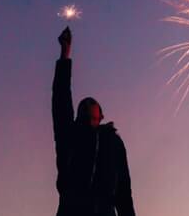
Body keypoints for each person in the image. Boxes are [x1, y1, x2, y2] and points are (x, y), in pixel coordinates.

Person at [52, 27, 136, 216]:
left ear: (101, 116)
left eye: (92, 103)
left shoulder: (114, 143)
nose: (87, 102)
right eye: (84, 105)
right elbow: (61, 100)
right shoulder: (69, 135)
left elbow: (124, 192)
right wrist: (65, 54)